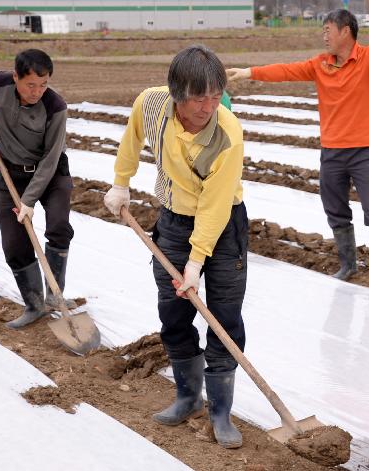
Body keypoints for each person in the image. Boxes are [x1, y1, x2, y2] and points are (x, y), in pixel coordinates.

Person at [103, 45, 247, 449]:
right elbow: (132, 136)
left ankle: (220, 411)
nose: (207, 106)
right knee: (173, 309)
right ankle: (188, 397)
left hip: (222, 225)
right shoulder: (152, 105)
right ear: (176, 93)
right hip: (172, 221)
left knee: (224, 315)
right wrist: (121, 181)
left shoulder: (227, 134)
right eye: (198, 97)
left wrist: (196, 261)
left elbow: (215, 208)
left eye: (215, 96)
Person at [226, 9, 369, 291]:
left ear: (345, 31)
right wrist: (250, 72)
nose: (324, 36)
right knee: (334, 208)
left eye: (327, 30)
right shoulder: (321, 64)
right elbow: (286, 71)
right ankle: (348, 265)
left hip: (363, 152)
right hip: (332, 152)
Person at [0, 49, 74, 329]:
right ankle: (34, 304)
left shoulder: (55, 107)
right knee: (14, 243)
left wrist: (28, 200)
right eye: (30, 84)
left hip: (50, 175)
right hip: (10, 173)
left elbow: (51, 159)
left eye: (43, 84)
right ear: (16, 77)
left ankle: (54, 296)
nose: (37, 91)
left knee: (59, 226)